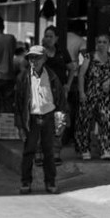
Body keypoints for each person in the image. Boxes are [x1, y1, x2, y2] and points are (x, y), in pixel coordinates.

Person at [14, 46, 66, 195]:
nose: (33, 61)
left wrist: (61, 119)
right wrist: (19, 125)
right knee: (29, 151)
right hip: (31, 118)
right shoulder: (23, 77)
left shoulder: (52, 76)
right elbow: (18, 103)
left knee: (49, 152)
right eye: (31, 58)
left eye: (37, 57)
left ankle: (50, 182)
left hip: (48, 116)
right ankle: (25, 182)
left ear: (44, 59)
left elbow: (60, 99)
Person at [76, 35, 110, 160]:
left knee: (107, 122)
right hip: (90, 93)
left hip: (105, 95)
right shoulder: (89, 56)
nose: (101, 44)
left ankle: (106, 150)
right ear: (96, 43)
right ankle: (85, 149)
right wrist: (82, 92)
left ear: (109, 44)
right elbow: (81, 75)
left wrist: (109, 81)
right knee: (84, 122)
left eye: (104, 42)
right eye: (99, 42)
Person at [39, 26, 76, 165]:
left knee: (59, 121)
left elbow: (72, 68)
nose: (48, 39)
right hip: (43, 92)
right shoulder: (40, 51)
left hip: (59, 92)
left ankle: (55, 152)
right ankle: (41, 152)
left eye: (51, 36)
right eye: (46, 36)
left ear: (56, 38)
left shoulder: (61, 52)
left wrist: (68, 84)